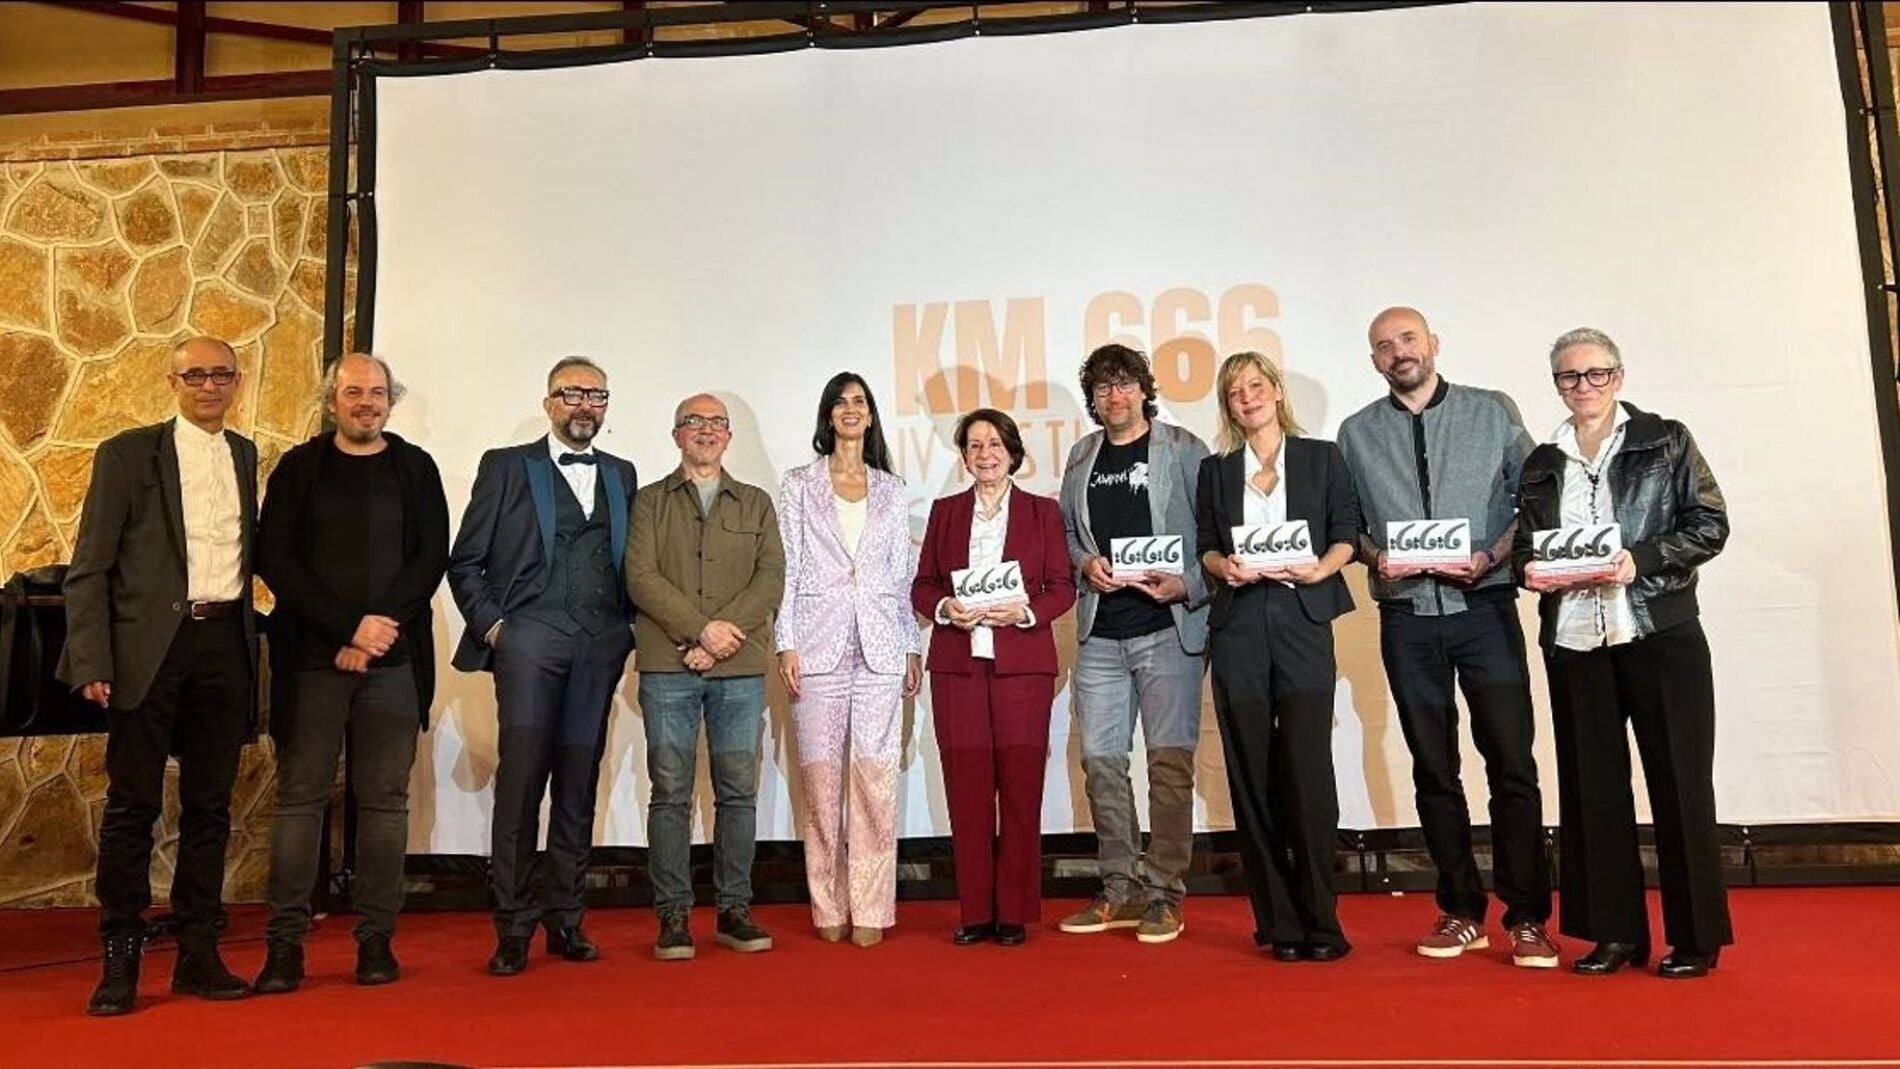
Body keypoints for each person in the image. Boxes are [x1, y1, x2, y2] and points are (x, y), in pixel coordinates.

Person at [1335, 306, 1556, 967]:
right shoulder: (1356, 432)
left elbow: (1534, 500)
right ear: (1373, 361)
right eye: (1384, 345)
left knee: (1511, 763)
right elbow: (1347, 523)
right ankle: (1460, 909)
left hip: (1484, 608)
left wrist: (1492, 555)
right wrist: (1377, 557)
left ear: (1432, 343)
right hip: (1406, 619)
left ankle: (1527, 917)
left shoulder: (1492, 411)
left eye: (1408, 338)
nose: (1398, 351)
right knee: (1434, 768)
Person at [1513, 327, 1732, 979]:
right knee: (1593, 790)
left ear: (1619, 376)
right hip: (1576, 640)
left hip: (1659, 633)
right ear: (1557, 384)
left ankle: (1695, 937)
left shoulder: (1665, 439)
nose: (1583, 386)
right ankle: (1614, 934)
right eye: (1569, 376)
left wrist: (1643, 559)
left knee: (1681, 784)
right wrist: (1530, 569)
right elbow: (1527, 545)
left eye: (1596, 373)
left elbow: (1709, 524)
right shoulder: (1541, 461)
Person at [60, 336, 259, 1015]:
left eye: (221, 374)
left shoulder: (244, 454)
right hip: (147, 650)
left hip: (224, 644)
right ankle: (119, 958)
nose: (209, 386)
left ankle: (199, 953)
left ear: (237, 382)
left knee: (210, 806)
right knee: (132, 806)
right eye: (194, 375)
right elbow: (90, 565)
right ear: (172, 382)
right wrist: (91, 658)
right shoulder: (127, 453)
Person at [253, 353, 449, 993]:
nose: (366, 402)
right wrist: (347, 629)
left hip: (394, 662)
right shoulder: (298, 468)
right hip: (313, 661)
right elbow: (275, 557)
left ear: (391, 400)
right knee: (300, 801)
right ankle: (285, 947)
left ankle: (375, 941)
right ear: (331, 399)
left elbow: (430, 557)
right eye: (353, 391)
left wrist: (376, 631)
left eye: (377, 392)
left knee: (385, 804)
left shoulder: (416, 468)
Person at [446, 356, 638, 976]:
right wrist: (497, 630)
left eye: (596, 396)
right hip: (529, 644)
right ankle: (512, 928)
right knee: (522, 785)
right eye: (572, 393)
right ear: (549, 402)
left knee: (578, 786)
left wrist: (627, 632)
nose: (584, 405)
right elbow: (465, 562)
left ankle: (566, 921)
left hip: (599, 647)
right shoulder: (506, 467)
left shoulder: (622, 473)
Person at [1194, 351, 1359, 962]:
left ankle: (1322, 920)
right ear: (1228, 406)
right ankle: (1280, 924)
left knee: (1308, 770)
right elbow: (1205, 546)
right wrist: (1223, 566)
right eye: (1235, 391)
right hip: (1238, 626)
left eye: (1256, 384)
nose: (1248, 396)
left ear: (1277, 391)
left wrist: (1321, 568)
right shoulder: (1216, 471)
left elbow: (1347, 531)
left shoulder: (1320, 457)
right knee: (1252, 774)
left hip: (1302, 619)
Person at [1055, 344, 1211, 944]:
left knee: (1169, 766)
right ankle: (1118, 888)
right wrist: (1083, 563)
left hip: (1168, 630)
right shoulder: (1082, 455)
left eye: (1124, 384)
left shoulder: (1185, 449)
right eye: (1103, 387)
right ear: (1093, 399)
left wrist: (1188, 585)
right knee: (1101, 765)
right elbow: (1068, 532)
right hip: (1101, 633)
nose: (1114, 396)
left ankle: (1165, 893)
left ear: (1144, 390)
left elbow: (1217, 531)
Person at [627, 393, 786, 961]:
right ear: (676, 435)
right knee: (669, 792)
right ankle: (672, 915)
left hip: (738, 667)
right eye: (693, 422)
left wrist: (719, 640)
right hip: (668, 665)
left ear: (729, 436)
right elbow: (640, 576)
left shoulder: (756, 503)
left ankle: (734, 910)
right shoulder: (649, 501)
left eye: (717, 422)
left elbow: (771, 578)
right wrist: (698, 632)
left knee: (738, 793)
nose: (706, 430)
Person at [910, 408, 1076, 946]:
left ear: (1012, 452)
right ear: (964, 456)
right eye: (975, 445)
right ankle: (976, 910)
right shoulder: (945, 513)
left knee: (1021, 788)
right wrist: (945, 609)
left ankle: (1013, 912)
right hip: (958, 667)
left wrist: (1025, 612)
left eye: (994, 444)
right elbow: (923, 586)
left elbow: (1062, 587)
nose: (985, 454)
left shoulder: (1042, 512)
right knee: (967, 790)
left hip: (1021, 667)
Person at [775, 373, 922, 947]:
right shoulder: (798, 484)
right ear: (828, 415)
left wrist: (911, 645)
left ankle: (871, 906)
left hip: (881, 648)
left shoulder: (892, 488)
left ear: (871, 414)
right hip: (816, 646)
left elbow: (901, 575)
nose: (850, 409)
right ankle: (827, 904)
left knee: (874, 784)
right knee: (821, 787)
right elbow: (787, 567)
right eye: (840, 402)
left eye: (859, 401)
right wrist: (785, 640)